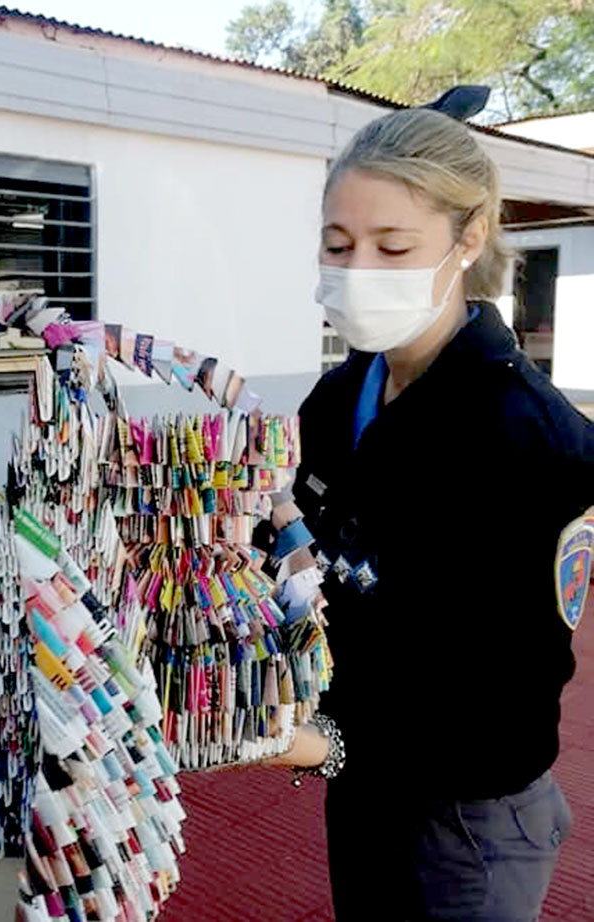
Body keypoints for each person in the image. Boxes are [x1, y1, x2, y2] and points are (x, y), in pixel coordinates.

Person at [269, 107, 594, 920]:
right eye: (337, 246)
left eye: (394, 246)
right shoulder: (341, 396)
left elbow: (503, 705)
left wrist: (324, 742)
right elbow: (320, 550)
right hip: (363, 792)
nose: (358, 268)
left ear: (469, 238)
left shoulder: (534, 439)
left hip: (466, 822)